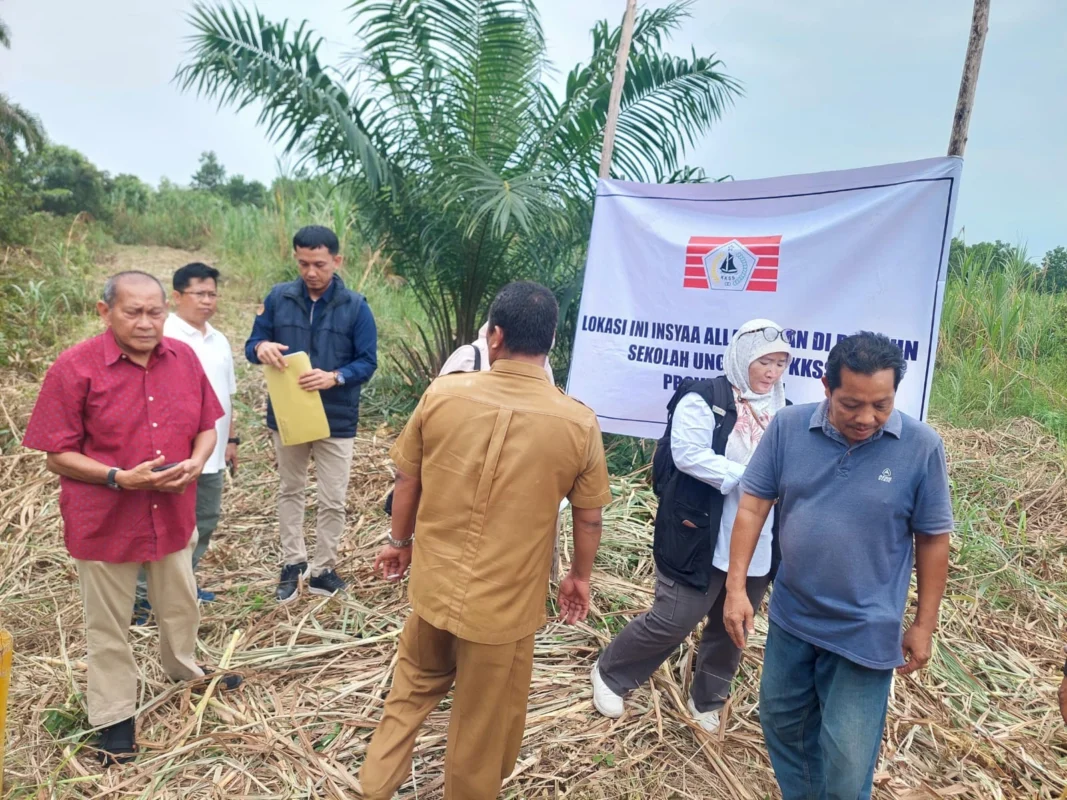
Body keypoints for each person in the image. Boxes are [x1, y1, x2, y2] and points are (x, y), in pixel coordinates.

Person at [359, 281, 612, 800]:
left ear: (494, 335)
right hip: (504, 609)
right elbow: (589, 519)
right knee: (481, 729)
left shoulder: (443, 394)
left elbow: (407, 479)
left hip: (434, 588)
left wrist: (399, 542)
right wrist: (579, 577)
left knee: (409, 690)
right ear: (551, 343)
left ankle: (373, 786)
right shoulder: (577, 422)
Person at [22, 271, 242, 765]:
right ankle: (114, 715)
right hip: (105, 518)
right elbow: (56, 455)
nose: (146, 322)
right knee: (108, 624)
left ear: (167, 310)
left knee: (180, 603)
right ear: (105, 312)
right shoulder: (74, 367)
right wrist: (119, 477)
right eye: (133, 312)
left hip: (173, 511)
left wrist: (196, 460)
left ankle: (184, 669)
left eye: (155, 312)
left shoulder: (183, 358)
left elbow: (207, 425)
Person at [723, 332, 953, 799]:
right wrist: (736, 589)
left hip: (865, 628)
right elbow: (753, 507)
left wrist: (923, 625)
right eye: (851, 404)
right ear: (826, 387)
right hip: (793, 616)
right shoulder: (788, 428)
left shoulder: (921, 446)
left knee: (847, 758)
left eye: (881, 405)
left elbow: (933, 539)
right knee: (783, 723)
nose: (866, 418)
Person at [590, 319, 791, 734]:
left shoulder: (784, 410)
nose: (771, 372)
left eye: (779, 363)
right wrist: (751, 478)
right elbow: (687, 454)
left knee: (733, 623)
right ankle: (611, 673)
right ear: (742, 358)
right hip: (701, 531)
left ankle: (708, 699)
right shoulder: (705, 398)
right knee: (675, 617)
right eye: (763, 362)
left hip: (758, 538)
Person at [245, 225, 378, 602]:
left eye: (319, 264)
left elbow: (367, 362)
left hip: (337, 417)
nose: (310, 272)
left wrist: (335, 377)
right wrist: (261, 348)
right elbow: (252, 345)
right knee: (291, 489)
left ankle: (323, 570)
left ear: (337, 261)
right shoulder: (278, 298)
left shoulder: (356, 306)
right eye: (303, 263)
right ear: (296, 259)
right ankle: (293, 563)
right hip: (289, 413)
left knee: (333, 498)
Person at [132, 262, 238, 623]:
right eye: (199, 294)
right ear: (177, 296)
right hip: (174, 454)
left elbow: (226, 396)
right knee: (163, 526)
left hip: (212, 454)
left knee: (204, 520)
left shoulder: (219, 340)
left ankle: (182, 586)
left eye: (212, 294)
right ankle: (144, 598)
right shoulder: (163, 337)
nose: (207, 301)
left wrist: (231, 439)